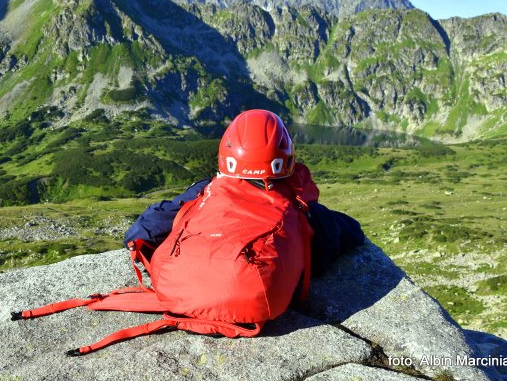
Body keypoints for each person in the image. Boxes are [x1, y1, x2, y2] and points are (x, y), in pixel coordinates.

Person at [124, 109, 365, 277]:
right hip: (266, 299)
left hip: (183, 292)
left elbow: (140, 231)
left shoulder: (204, 192)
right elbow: (353, 233)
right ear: (286, 160)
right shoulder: (304, 210)